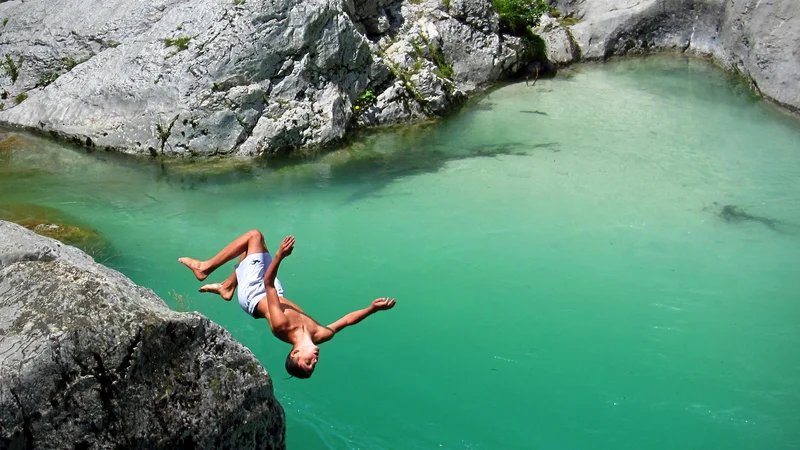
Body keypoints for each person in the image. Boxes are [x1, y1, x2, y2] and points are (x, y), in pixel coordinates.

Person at [178, 230, 396, 378]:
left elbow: (267, 284)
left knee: (254, 236)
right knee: (251, 249)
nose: (315, 361)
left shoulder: (281, 326)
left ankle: (204, 268)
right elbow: (347, 321)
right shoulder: (321, 334)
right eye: (314, 366)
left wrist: (280, 256)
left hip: (255, 294)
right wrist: (372, 309)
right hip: (274, 291)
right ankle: (226, 286)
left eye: (307, 363)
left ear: (294, 354)